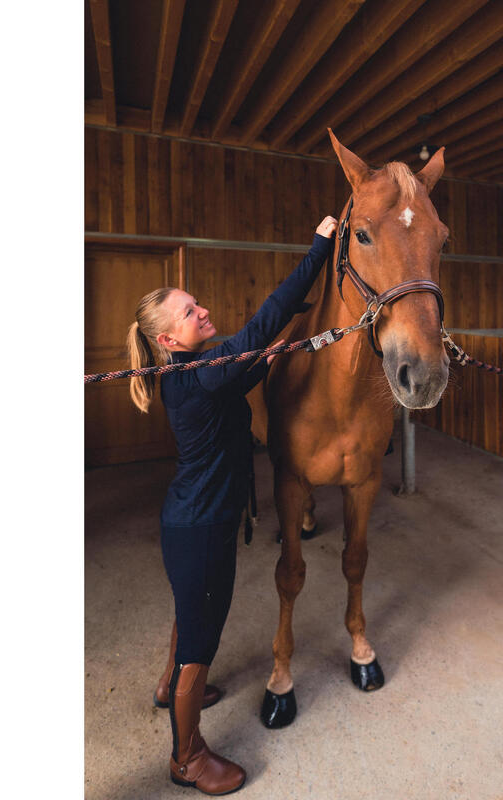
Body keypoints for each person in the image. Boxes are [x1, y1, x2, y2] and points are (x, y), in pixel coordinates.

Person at [125, 216, 338, 795]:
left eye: (196, 304)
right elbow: (267, 320)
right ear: (167, 339)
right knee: (202, 639)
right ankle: (186, 757)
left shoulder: (195, 372)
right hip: (202, 527)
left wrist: (273, 350)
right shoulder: (196, 377)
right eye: (189, 313)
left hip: (189, 522)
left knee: (189, 612)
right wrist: (319, 247)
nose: (202, 312)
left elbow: (247, 358)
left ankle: (171, 687)